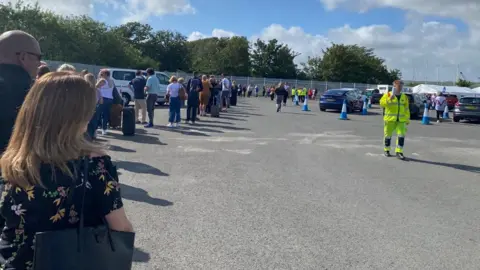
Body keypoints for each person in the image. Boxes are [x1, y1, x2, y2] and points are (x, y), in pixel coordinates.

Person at [0, 72, 133, 269]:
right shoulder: (95, 165)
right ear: (77, 117)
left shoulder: (13, 162)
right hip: (71, 260)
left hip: (14, 261)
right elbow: (120, 227)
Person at [0, 30, 41, 154]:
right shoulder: (37, 94)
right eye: (38, 57)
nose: (39, 63)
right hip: (15, 168)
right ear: (23, 57)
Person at [379, 80, 410, 160]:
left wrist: (407, 119)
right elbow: (382, 104)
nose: (400, 88)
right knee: (388, 135)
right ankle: (387, 150)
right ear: (394, 86)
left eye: (401, 86)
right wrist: (389, 99)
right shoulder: (388, 94)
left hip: (401, 120)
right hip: (390, 119)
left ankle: (399, 151)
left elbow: (406, 109)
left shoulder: (404, 97)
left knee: (401, 135)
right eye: (399, 86)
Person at [95, 69, 115, 135]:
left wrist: (99, 77)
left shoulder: (102, 80)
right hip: (110, 99)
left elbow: (95, 87)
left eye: (101, 73)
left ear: (105, 74)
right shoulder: (112, 80)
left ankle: (94, 128)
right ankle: (104, 129)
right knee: (105, 114)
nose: (100, 74)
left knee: (97, 113)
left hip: (102, 98)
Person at [84, 73, 102, 140]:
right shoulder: (97, 90)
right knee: (93, 124)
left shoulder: (84, 90)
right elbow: (101, 101)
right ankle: (91, 136)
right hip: (94, 108)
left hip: (85, 108)